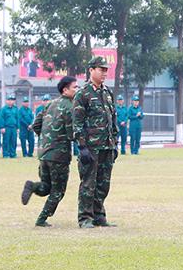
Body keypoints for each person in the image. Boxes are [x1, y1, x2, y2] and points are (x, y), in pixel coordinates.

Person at [21, 76, 78, 227]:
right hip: (59, 156)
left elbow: (36, 125)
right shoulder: (70, 107)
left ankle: (32, 186)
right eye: (75, 87)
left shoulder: (50, 104)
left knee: (46, 187)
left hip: (44, 153)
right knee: (58, 190)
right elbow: (72, 134)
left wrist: (47, 139)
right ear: (65, 90)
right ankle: (41, 219)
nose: (77, 90)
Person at [72, 56, 119, 229]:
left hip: (107, 145)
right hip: (91, 147)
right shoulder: (83, 93)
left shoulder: (107, 92)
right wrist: (82, 146)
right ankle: (85, 218)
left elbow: (112, 118)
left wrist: (115, 142)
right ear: (91, 70)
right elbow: (77, 122)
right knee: (88, 183)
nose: (104, 73)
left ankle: (99, 216)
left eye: (106, 70)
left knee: (103, 183)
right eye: (101, 69)